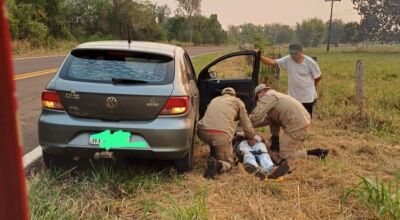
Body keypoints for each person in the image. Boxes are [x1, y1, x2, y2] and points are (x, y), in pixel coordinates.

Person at [249, 84, 328, 163]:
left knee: (284, 156)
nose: (258, 100)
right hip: (302, 122)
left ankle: (316, 153)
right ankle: (275, 142)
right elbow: (269, 120)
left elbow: (255, 116)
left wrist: (244, 122)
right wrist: (248, 125)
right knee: (273, 120)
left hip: (297, 127)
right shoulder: (276, 96)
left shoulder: (267, 97)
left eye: (257, 97)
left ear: (261, 92)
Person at [197, 87, 256, 179]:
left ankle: (214, 155)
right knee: (229, 163)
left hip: (202, 131)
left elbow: (213, 119)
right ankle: (217, 165)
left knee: (214, 139)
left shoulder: (214, 100)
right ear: (234, 95)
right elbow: (246, 123)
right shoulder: (237, 101)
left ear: (223, 94)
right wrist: (251, 136)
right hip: (220, 135)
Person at [258, 43, 321, 116]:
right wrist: (259, 55)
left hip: (307, 97)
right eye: (291, 53)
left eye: (295, 53)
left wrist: (310, 85)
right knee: (293, 118)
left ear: (301, 51)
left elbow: (318, 77)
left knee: (306, 119)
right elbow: (272, 62)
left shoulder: (310, 62)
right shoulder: (288, 59)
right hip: (293, 97)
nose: (293, 55)